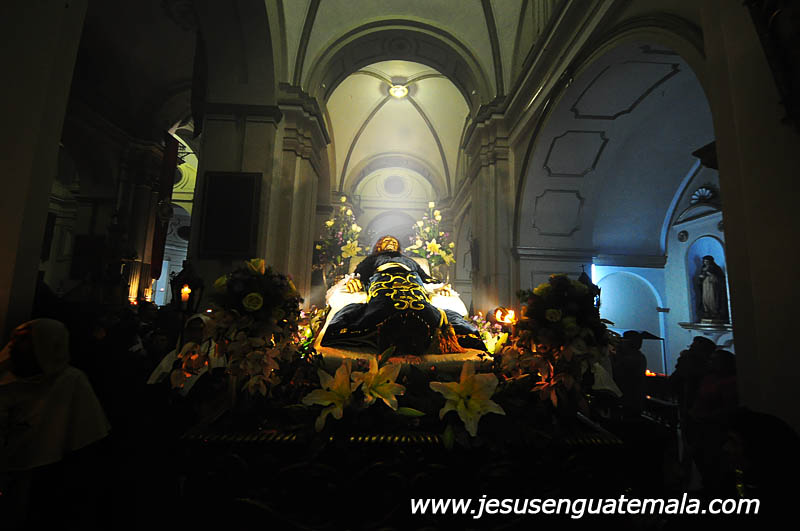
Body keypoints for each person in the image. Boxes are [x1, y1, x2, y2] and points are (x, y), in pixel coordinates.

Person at [0, 319, 110, 526]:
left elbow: (86, 436)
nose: (14, 345)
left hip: (47, 481)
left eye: (24, 340)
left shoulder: (70, 383)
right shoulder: (5, 378)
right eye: (15, 338)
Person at [321, 235, 485, 356]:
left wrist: (439, 287)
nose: (391, 243)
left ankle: (422, 327)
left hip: (412, 281)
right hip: (383, 280)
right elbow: (360, 274)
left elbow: (426, 278)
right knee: (383, 304)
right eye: (386, 241)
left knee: (423, 306)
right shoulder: (371, 259)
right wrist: (353, 281)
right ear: (378, 246)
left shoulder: (409, 260)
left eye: (394, 242)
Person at [696, 255, 728, 321]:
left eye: (707, 261)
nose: (705, 263)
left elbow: (721, 278)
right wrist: (701, 278)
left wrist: (711, 275)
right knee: (705, 299)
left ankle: (715, 312)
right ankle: (707, 312)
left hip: (713, 287)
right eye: (704, 261)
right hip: (705, 286)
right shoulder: (703, 268)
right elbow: (701, 279)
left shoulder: (716, 268)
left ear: (710, 261)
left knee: (712, 299)